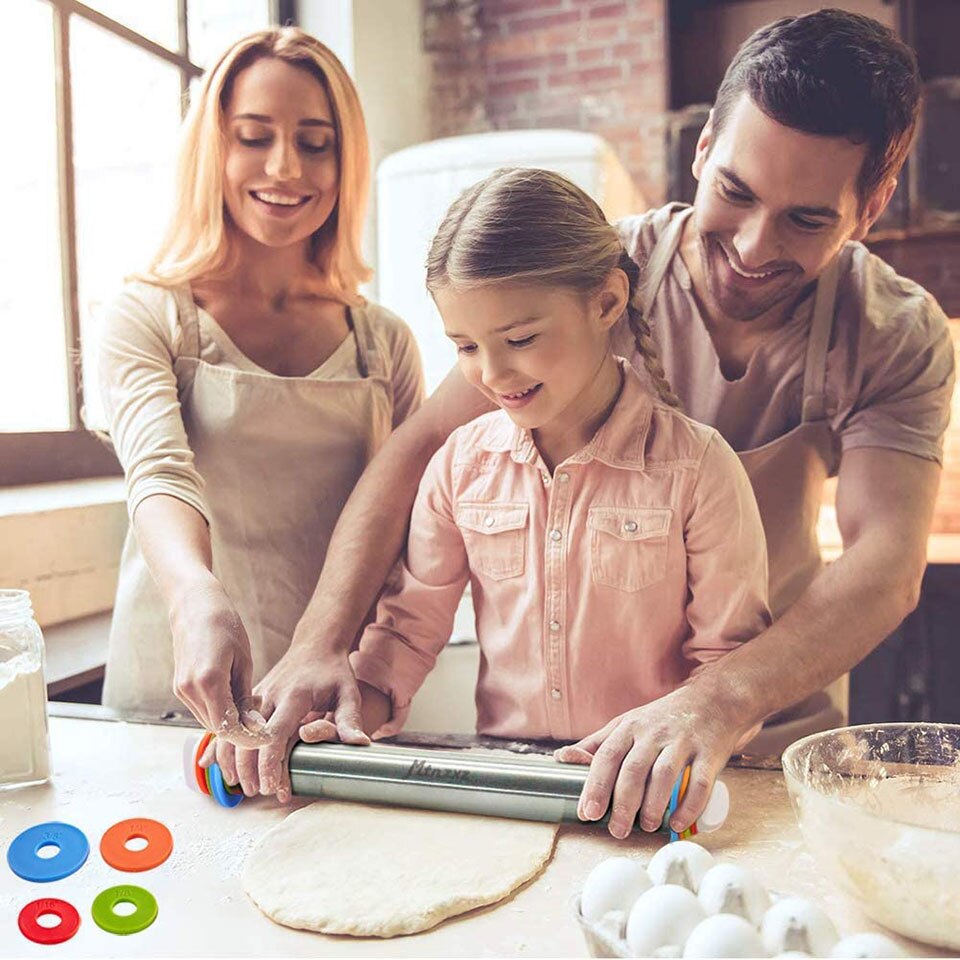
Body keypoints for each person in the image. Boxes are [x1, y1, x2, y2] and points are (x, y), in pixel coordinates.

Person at [242, 8, 955, 832]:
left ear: (870, 208)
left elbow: (887, 562)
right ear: (701, 151)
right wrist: (321, 643)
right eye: (735, 192)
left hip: (762, 733)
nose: (756, 248)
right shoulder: (583, 281)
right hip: (548, 768)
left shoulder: (891, 329)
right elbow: (424, 450)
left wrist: (715, 703)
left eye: (807, 219)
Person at [289, 169, 770, 838]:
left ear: (606, 304)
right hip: (505, 795)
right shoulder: (459, 465)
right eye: (465, 347)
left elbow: (729, 664)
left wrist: (677, 747)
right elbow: (404, 636)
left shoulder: (698, 469)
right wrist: (339, 721)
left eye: (518, 340)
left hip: (649, 796)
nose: (492, 374)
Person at [96, 28, 423, 763]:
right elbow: (158, 473)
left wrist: (374, 675)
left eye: (315, 142)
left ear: (347, 163)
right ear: (214, 146)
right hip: (174, 698)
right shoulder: (149, 315)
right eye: (253, 137)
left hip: (333, 708)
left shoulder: (385, 341)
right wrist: (194, 596)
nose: (285, 167)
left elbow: (411, 523)